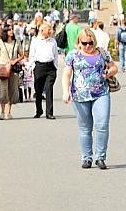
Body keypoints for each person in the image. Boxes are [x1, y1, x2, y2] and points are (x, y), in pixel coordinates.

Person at [64, 27, 117, 169]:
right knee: (85, 128)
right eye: (84, 43)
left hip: (101, 93)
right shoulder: (73, 55)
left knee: (102, 125)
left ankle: (100, 157)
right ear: (79, 42)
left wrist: (108, 73)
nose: (88, 46)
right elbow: (66, 74)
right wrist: (65, 91)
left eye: (91, 43)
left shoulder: (102, 53)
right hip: (80, 95)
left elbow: (114, 67)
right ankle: (87, 157)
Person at [29, 22, 59, 119]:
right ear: (42, 31)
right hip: (39, 67)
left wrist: (55, 67)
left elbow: (55, 55)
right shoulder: (35, 41)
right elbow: (32, 55)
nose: (50, 31)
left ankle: (49, 112)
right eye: (48, 30)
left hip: (50, 67)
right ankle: (39, 110)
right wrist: (32, 67)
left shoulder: (53, 41)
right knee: (38, 90)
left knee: (49, 88)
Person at [0, 22, 19, 119]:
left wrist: (15, 60)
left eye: (12, 29)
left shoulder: (16, 43)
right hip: (3, 67)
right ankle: (2, 111)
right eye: (9, 30)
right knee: (3, 90)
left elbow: (22, 55)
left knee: (12, 89)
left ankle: (8, 112)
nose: (11, 31)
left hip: (13, 68)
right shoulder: (0, 43)